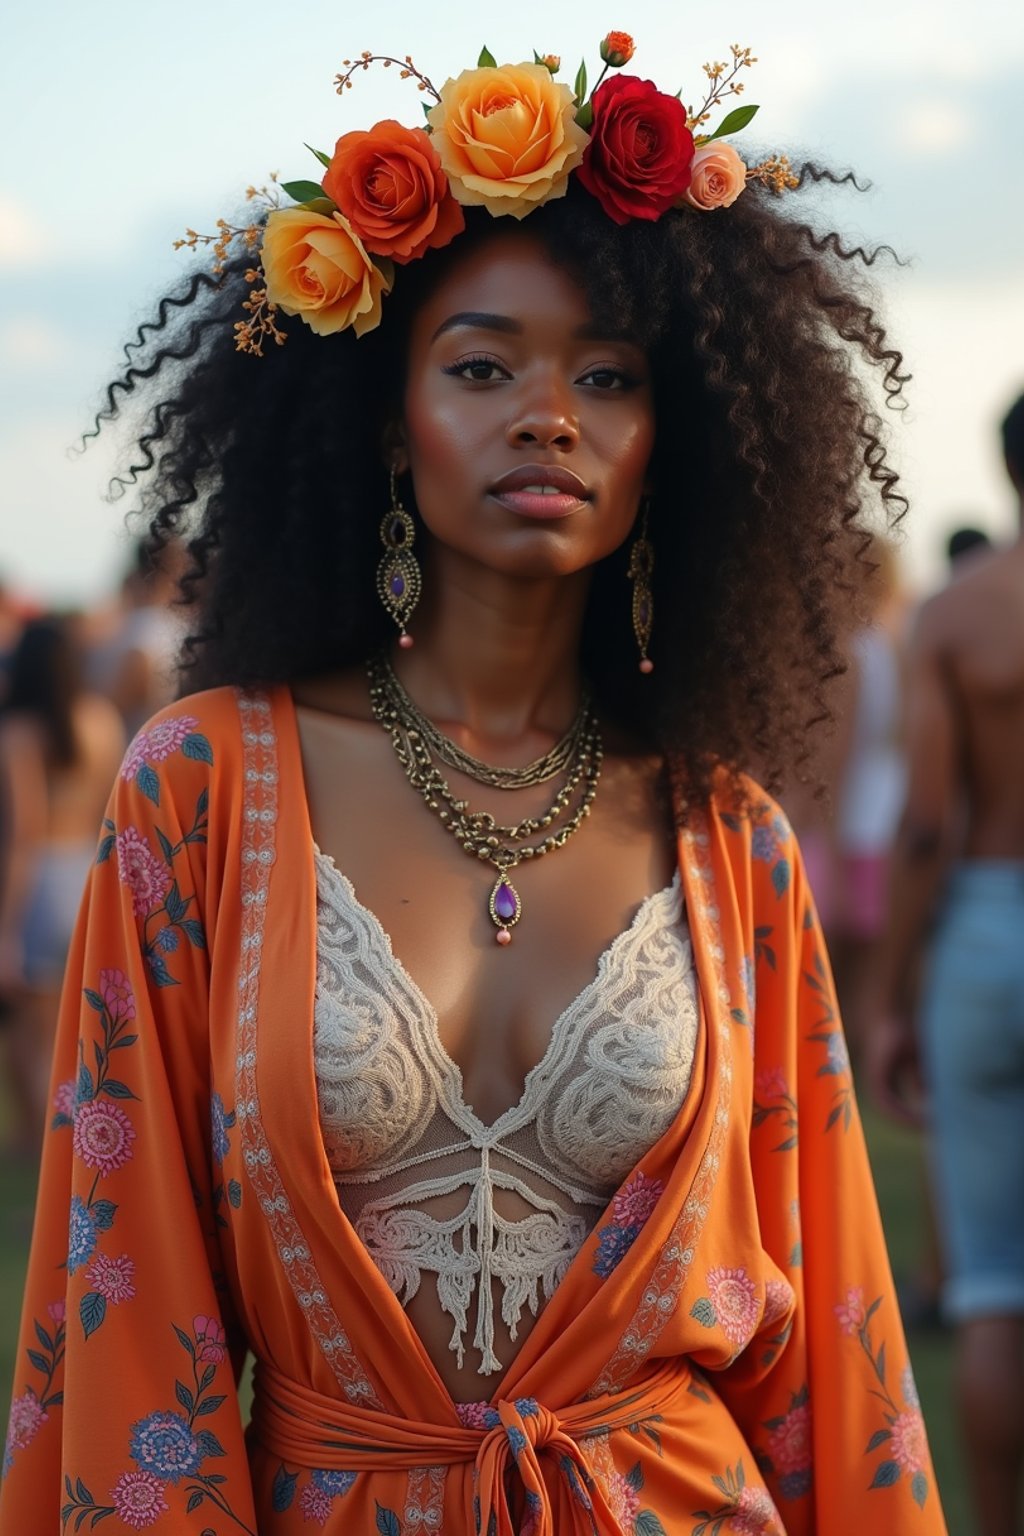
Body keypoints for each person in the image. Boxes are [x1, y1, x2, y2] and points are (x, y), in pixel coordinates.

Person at [1, 35, 948, 1535]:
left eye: (608, 376)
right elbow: (129, 1293)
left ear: (662, 444)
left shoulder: (727, 838)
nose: (547, 413)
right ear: (390, 420)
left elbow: (835, 1338)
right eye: (484, 364)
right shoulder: (202, 791)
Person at [870, 392, 1024, 1536]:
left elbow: (925, 823)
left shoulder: (961, 616)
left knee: (990, 1281)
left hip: (983, 924)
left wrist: (890, 997)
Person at [0, 617, 125, 1152]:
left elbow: (23, 834)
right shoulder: (103, 720)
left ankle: (43, 1152)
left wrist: (5, 928)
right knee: (77, 1039)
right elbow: (115, 814)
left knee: (33, 1040)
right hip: (88, 877)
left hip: (39, 884)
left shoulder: (17, 733)